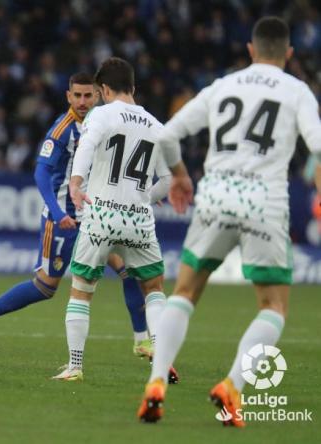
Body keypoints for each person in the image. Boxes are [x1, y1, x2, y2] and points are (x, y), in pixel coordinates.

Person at [138, 16, 321, 426]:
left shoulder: (224, 86)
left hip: (216, 196)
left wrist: (180, 175)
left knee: (184, 292)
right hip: (264, 202)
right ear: (288, 54)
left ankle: (155, 383)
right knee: (273, 305)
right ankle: (232, 387)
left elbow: (165, 137)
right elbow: (319, 147)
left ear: (251, 51)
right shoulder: (297, 91)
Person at [0, 73, 158, 359]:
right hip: (64, 217)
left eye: (87, 95)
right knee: (45, 286)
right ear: (68, 97)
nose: (82, 102)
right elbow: (41, 172)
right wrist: (57, 214)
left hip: (97, 215)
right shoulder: (62, 130)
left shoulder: (104, 121)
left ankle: (142, 340)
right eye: (76, 96)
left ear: (98, 95)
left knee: (129, 271)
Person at [50, 57, 189, 382]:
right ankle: (159, 358)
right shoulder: (157, 126)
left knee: (82, 289)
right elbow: (169, 180)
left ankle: (74, 366)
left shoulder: (101, 114)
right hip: (139, 218)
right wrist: (142, 199)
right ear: (134, 87)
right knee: (153, 288)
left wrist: (75, 182)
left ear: (105, 89)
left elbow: (85, 147)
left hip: (101, 214)